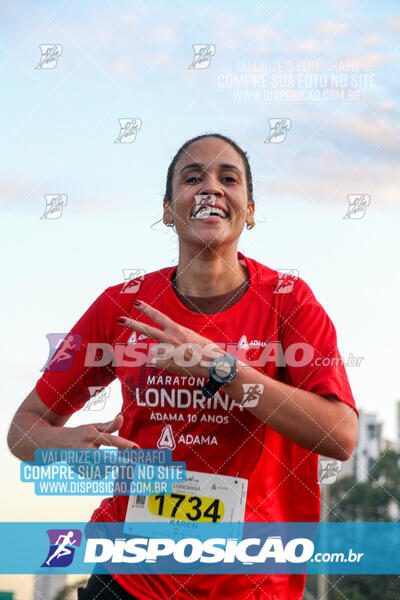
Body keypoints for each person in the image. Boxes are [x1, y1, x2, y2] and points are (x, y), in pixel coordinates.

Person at [7, 133, 358, 599]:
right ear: (169, 210)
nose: (210, 188)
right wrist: (64, 444)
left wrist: (223, 369)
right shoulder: (121, 306)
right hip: (129, 574)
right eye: (193, 178)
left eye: (227, 178)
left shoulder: (289, 302)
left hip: (250, 582)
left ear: (249, 210)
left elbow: (340, 435)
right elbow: (22, 431)